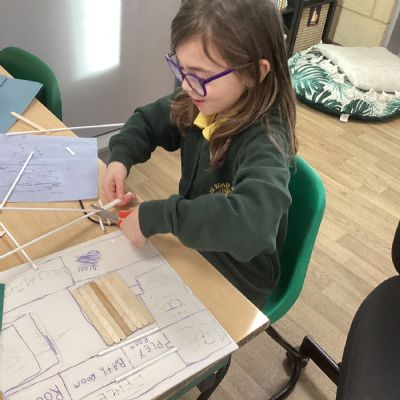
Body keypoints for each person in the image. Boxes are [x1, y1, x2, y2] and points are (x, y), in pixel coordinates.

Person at [102, 0, 297, 308]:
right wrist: (120, 158)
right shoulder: (201, 99)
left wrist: (161, 216)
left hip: (239, 276)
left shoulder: (267, 142)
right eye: (181, 68)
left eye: (200, 75)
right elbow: (148, 122)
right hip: (198, 243)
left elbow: (254, 225)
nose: (186, 85)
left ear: (255, 73)